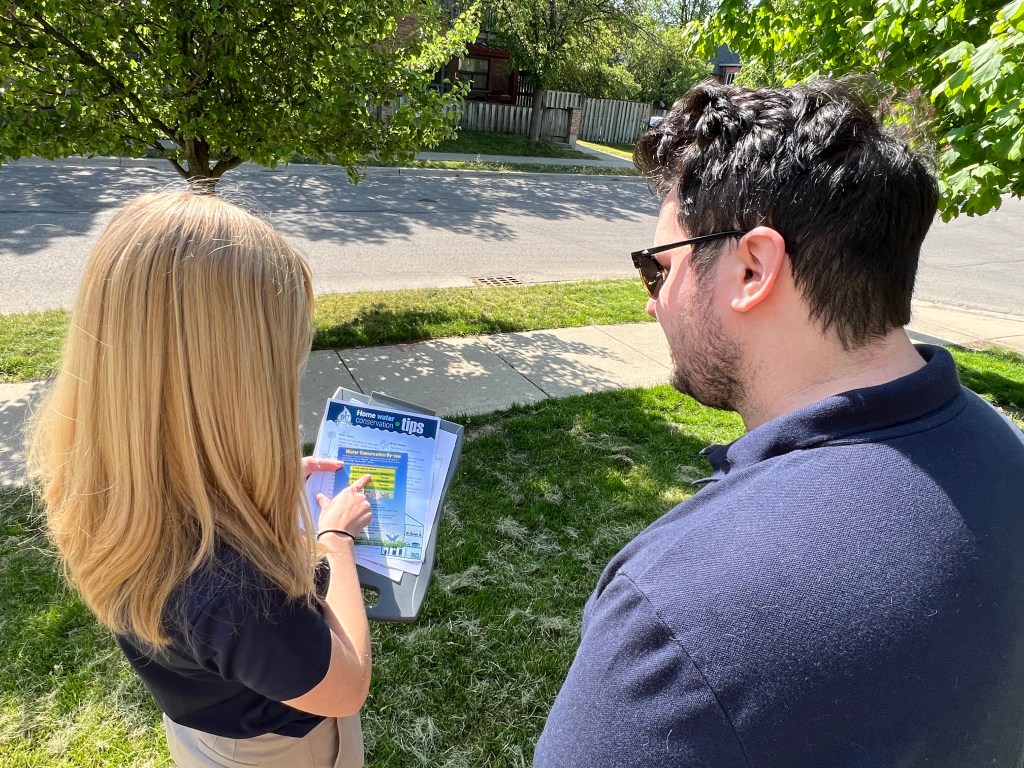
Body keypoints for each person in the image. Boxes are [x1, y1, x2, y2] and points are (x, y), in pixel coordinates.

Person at [534, 80, 1024, 766]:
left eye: (657, 269)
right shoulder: (1006, 453)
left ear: (752, 268)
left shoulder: (675, 618)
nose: (652, 303)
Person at [29, 191, 375, 767]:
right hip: (281, 750)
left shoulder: (107, 489)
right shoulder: (237, 589)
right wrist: (334, 541)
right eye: (279, 359)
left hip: (204, 730)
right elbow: (346, 684)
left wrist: (246, 482)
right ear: (233, 384)